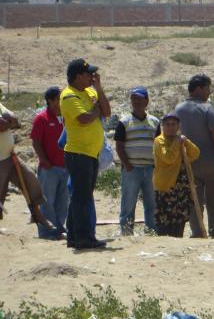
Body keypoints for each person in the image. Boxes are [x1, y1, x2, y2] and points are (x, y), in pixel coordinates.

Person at [60, 58, 111, 249]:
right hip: (78, 153)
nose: (92, 76)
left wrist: (99, 89)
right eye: (88, 74)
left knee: (82, 196)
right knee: (82, 198)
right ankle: (83, 237)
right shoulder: (68, 95)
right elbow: (84, 118)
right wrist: (96, 111)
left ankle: (73, 235)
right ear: (78, 76)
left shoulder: (90, 91)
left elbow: (106, 111)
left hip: (91, 153)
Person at [175, 74, 214, 239]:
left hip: (188, 160)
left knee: (194, 198)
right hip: (209, 160)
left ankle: (198, 232)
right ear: (199, 89)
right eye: (208, 88)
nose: (209, 92)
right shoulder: (207, 108)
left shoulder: (178, 109)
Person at [0, 88, 52, 235]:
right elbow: (3, 125)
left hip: (10, 156)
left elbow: (16, 120)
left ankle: (37, 215)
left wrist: (8, 122)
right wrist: (8, 123)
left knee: (30, 180)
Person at [114, 86, 160, 235]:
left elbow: (159, 144)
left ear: (146, 101)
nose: (137, 101)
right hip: (132, 169)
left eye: (140, 98)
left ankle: (152, 231)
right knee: (128, 203)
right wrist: (127, 165)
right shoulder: (124, 122)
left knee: (152, 203)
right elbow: (119, 146)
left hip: (151, 169)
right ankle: (127, 232)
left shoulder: (155, 122)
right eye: (134, 98)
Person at [152, 112, 200, 237]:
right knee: (164, 219)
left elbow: (195, 154)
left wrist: (186, 142)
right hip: (165, 186)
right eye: (167, 124)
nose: (171, 127)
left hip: (181, 186)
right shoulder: (159, 140)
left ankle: (178, 238)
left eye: (174, 124)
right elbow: (168, 157)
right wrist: (176, 143)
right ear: (163, 126)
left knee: (180, 217)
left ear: (178, 126)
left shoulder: (180, 140)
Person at [30, 86, 68, 239]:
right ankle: (47, 232)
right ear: (51, 101)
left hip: (66, 167)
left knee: (63, 201)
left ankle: (59, 230)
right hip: (49, 169)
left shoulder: (66, 117)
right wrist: (46, 162)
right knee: (47, 202)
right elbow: (36, 142)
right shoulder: (41, 119)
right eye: (59, 99)